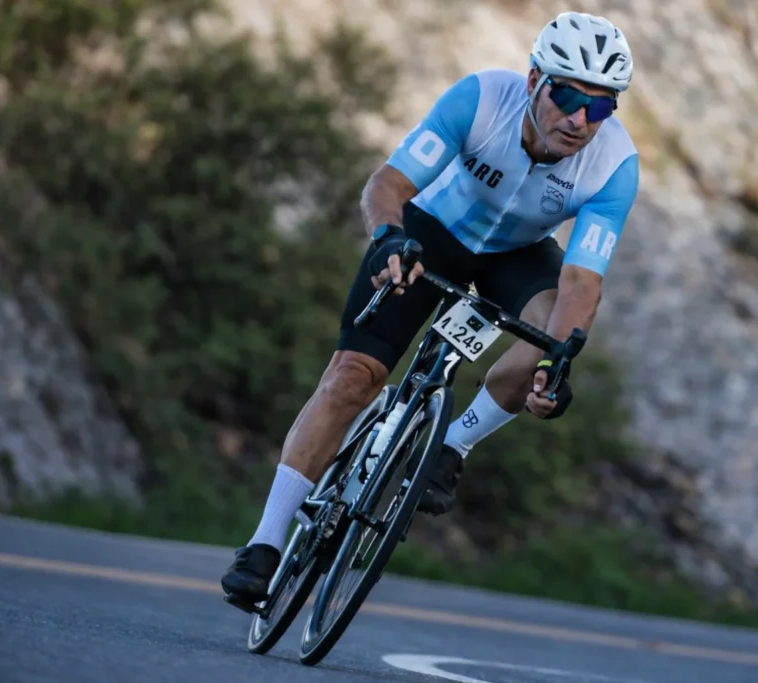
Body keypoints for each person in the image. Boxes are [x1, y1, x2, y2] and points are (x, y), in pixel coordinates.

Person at [221, 10, 640, 604]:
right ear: (533, 82)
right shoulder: (479, 100)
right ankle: (264, 543)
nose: (579, 120)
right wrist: (389, 237)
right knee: (350, 378)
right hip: (430, 232)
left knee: (554, 338)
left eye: (599, 107)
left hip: (516, 256)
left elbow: (581, 283)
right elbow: (387, 185)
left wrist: (557, 364)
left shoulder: (614, 167)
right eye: (568, 96)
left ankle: (452, 445)